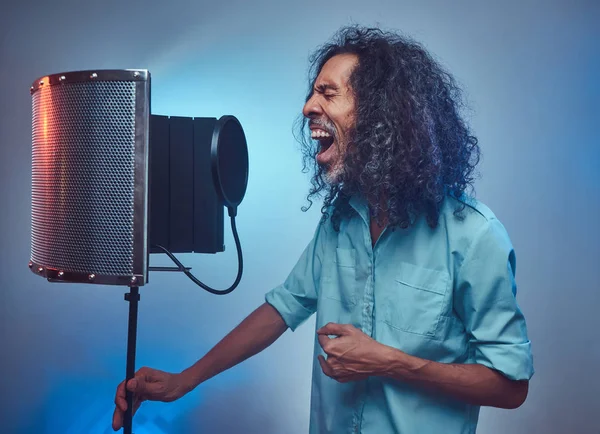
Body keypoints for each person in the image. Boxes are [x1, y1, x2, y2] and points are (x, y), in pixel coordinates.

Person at [112, 25, 534, 434]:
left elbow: (511, 386)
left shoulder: (474, 236)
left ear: (382, 114)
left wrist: (390, 361)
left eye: (328, 93)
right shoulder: (340, 220)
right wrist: (184, 380)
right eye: (313, 92)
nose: (308, 107)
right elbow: (282, 308)